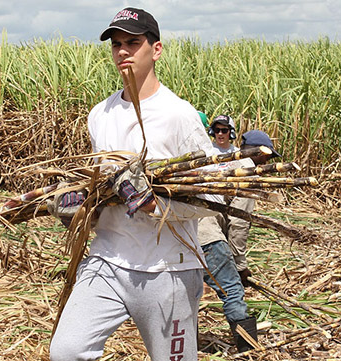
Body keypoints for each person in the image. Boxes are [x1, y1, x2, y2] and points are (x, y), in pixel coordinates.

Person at [48, 8, 220, 361]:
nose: (123, 51)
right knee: (66, 351)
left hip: (168, 268)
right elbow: (101, 190)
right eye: (116, 44)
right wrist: (78, 208)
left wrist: (153, 204)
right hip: (107, 259)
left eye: (133, 42)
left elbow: (212, 195)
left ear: (155, 49)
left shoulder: (178, 115)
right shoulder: (101, 113)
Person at [198, 127, 281, 352]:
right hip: (205, 236)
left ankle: (184, 344)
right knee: (232, 291)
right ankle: (249, 352)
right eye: (267, 158)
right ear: (259, 154)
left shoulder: (224, 163)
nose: (266, 165)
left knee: (190, 291)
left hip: (180, 234)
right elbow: (239, 223)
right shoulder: (248, 174)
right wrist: (240, 266)